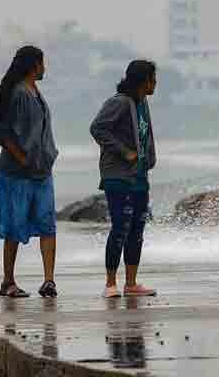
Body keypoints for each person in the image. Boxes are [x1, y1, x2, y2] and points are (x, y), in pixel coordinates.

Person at [0, 45, 60, 298]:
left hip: (41, 172)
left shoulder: (35, 91)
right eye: (42, 63)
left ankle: (49, 281)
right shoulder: (17, 93)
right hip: (16, 174)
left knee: (47, 224)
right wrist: (20, 157)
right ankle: (8, 281)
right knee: (13, 226)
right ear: (34, 65)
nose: (45, 68)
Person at [90, 60, 159, 298]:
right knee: (120, 227)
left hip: (140, 177)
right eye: (153, 79)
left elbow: (146, 134)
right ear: (143, 81)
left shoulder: (143, 103)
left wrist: (148, 159)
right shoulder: (118, 103)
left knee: (137, 229)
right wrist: (124, 151)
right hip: (117, 176)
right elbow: (97, 128)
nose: (155, 84)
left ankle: (131, 283)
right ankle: (110, 284)